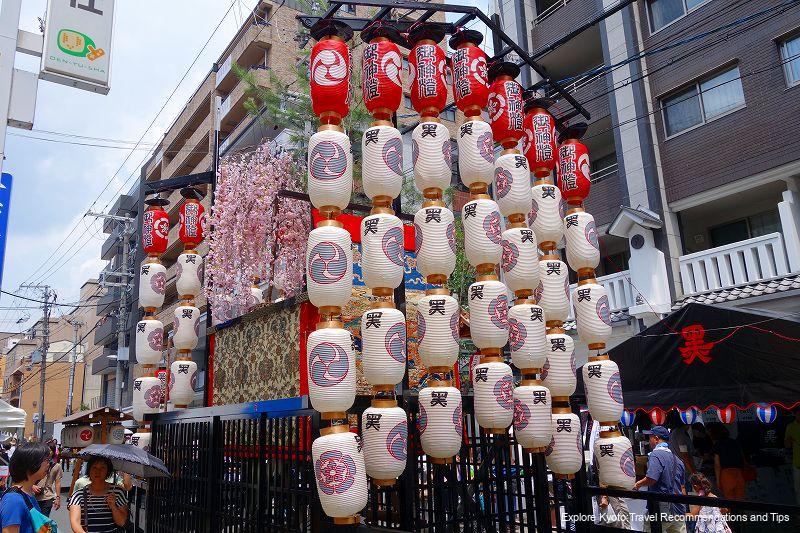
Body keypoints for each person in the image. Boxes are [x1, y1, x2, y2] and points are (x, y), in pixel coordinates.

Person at [633, 426, 687, 533]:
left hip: (660, 508)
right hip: (678, 509)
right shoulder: (677, 459)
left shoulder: (655, 455)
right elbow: (682, 488)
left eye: (650, 437)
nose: (649, 441)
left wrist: (638, 484)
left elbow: (651, 478)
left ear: (656, 439)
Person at [68, 456, 128, 533]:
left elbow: (122, 522)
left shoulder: (117, 492)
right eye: (94, 467)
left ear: (108, 470)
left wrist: (113, 507)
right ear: (89, 470)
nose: (98, 471)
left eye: (102, 468)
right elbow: (75, 523)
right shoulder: (78, 495)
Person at [0, 442, 50, 533]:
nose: (49, 463)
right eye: (46, 459)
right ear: (31, 463)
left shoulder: (27, 494)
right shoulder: (13, 500)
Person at [708, 423, 747, 500]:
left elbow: (717, 465)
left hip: (726, 474)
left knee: (729, 499)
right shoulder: (734, 442)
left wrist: (718, 480)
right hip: (739, 473)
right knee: (740, 499)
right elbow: (743, 458)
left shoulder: (718, 445)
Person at [32, 444, 62, 517]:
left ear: (53, 452)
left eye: (50, 450)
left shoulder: (57, 466)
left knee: (44, 520)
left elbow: (57, 482)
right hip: (33, 496)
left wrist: (58, 498)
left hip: (47, 496)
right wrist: (32, 486)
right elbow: (27, 477)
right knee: (34, 519)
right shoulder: (35, 463)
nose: (48, 452)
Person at [785, 406, 800, 505]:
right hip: (797, 464)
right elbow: (787, 445)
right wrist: (789, 441)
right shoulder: (791, 426)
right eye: (799, 414)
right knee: (798, 490)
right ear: (795, 414)